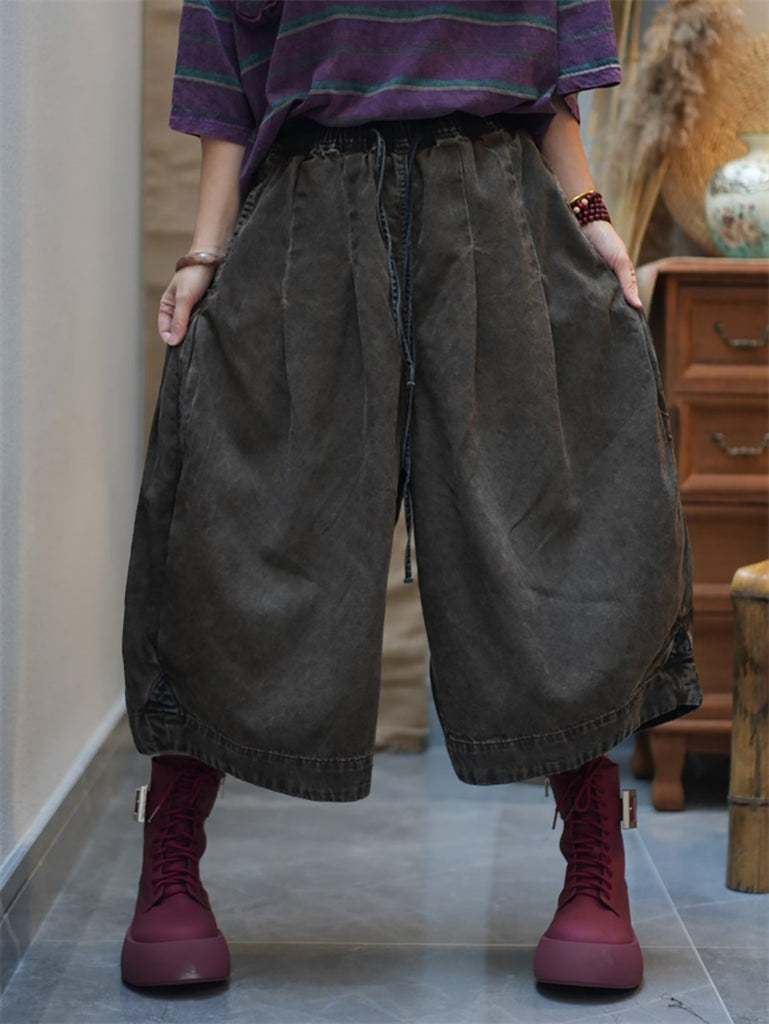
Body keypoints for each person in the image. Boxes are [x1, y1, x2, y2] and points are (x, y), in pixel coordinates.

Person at [120, 0, 701, 993]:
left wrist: (590, 217)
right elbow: (226, 64)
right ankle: (170, 850)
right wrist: (204, 251)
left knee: (552, 533)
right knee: (238, 522)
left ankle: (593, 855)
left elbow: (548, 81)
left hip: (499, 209)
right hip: (309, 206)